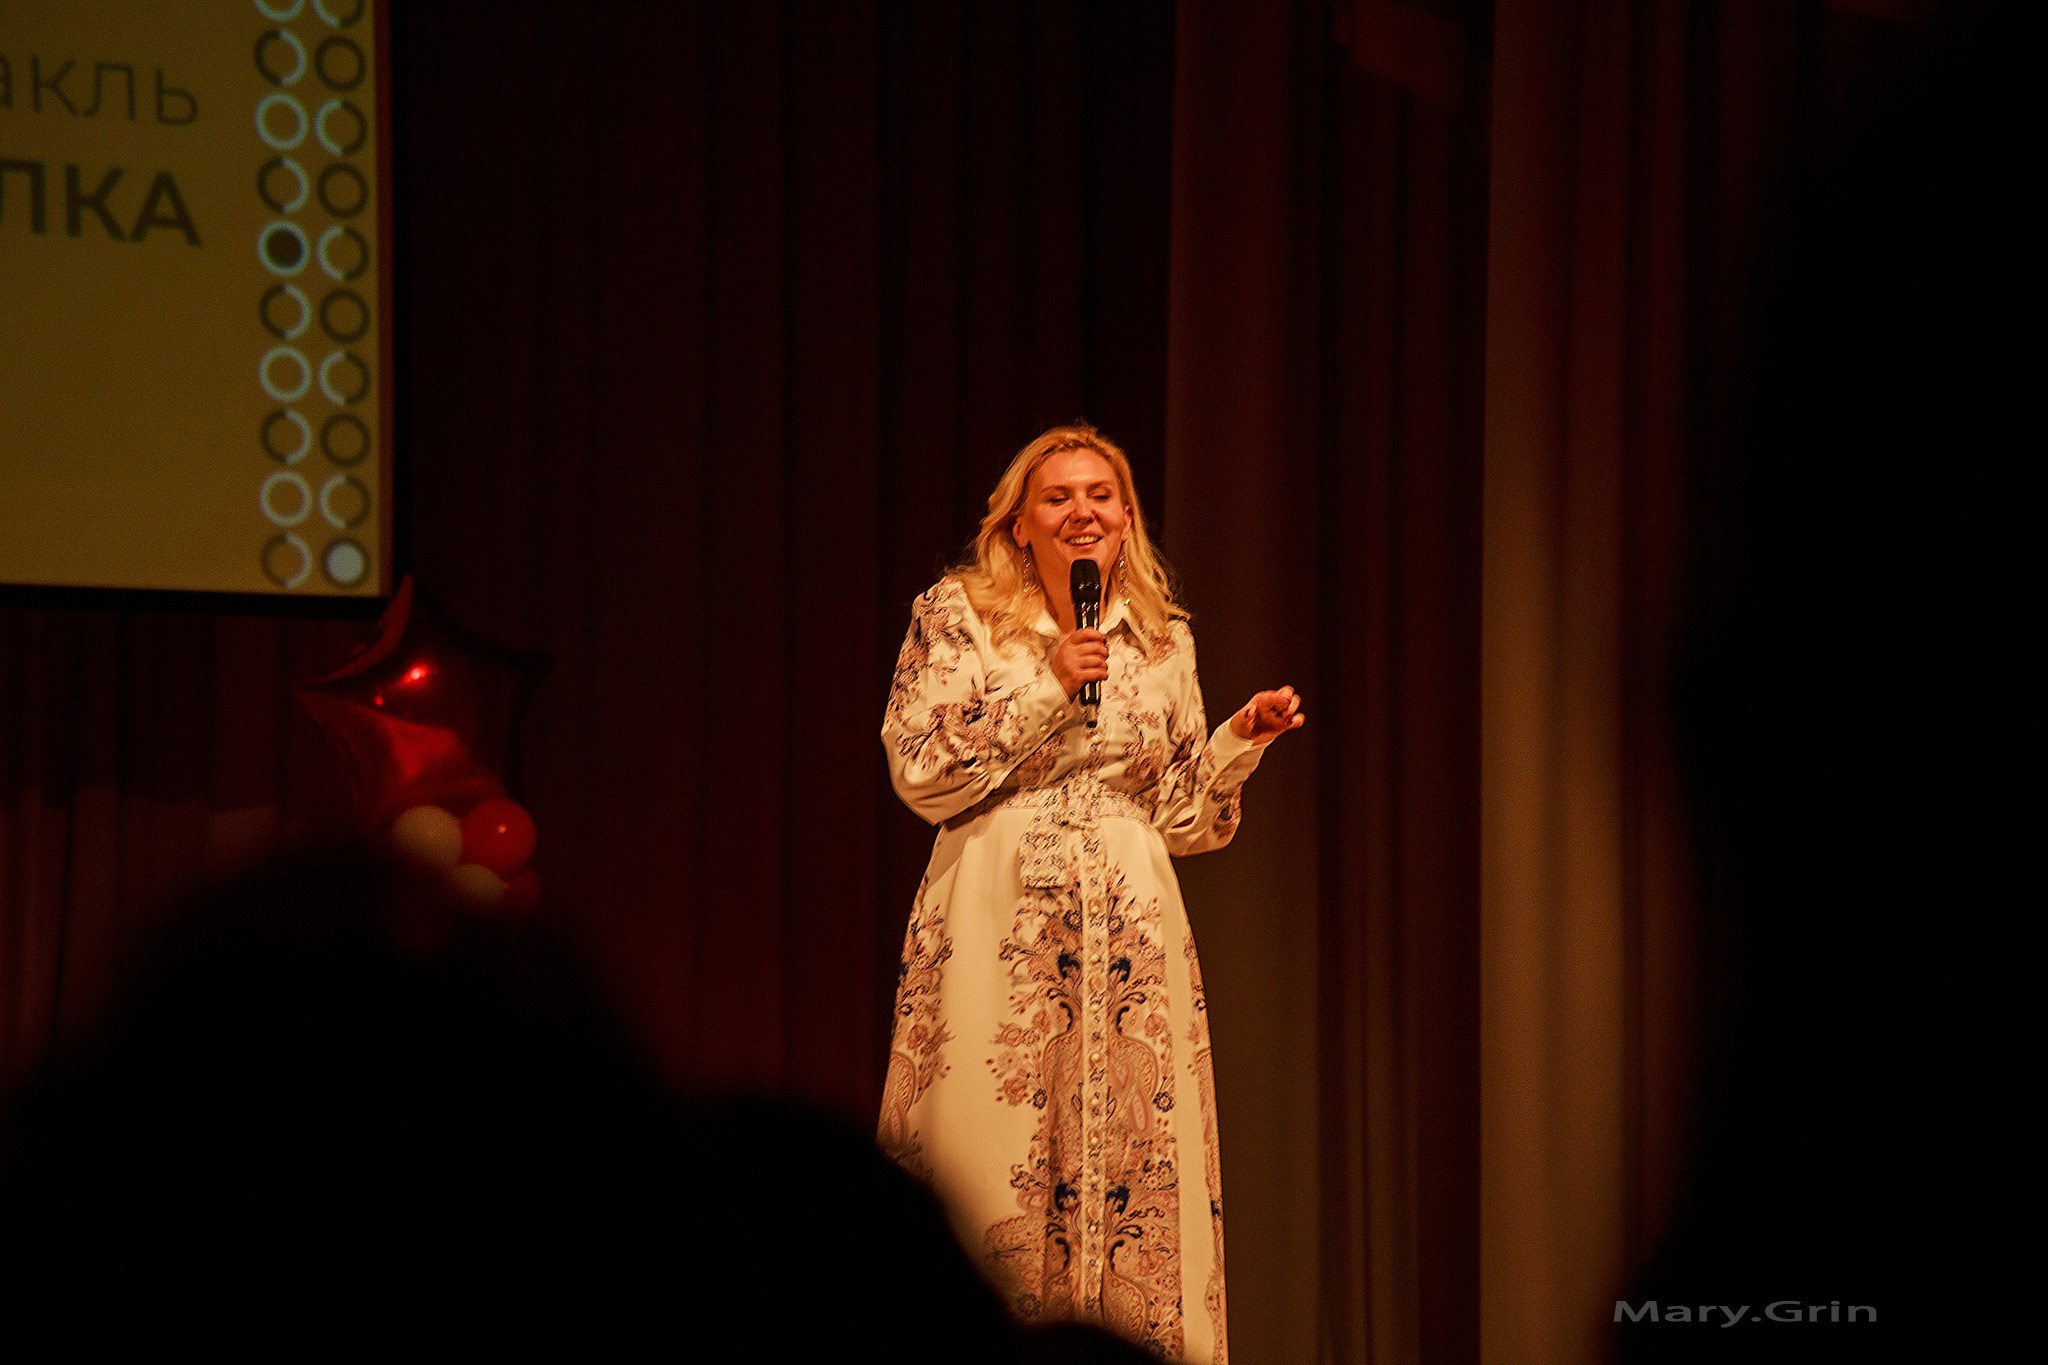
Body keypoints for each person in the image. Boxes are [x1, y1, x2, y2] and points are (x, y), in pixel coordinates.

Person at [878, 424, 1303, 1363]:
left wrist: (1238, 740)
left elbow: (1182, 815)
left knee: (1131, 1159)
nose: (1082, 511)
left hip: (1131, 921)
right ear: (1019, 524)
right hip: (1000, 906)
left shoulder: (1163, 637)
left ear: (1127, 518)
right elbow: (921, 768)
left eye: (1100, 495)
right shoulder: (960, 614)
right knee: (993, 1145)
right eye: (1058, 496)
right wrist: (1047, 685)